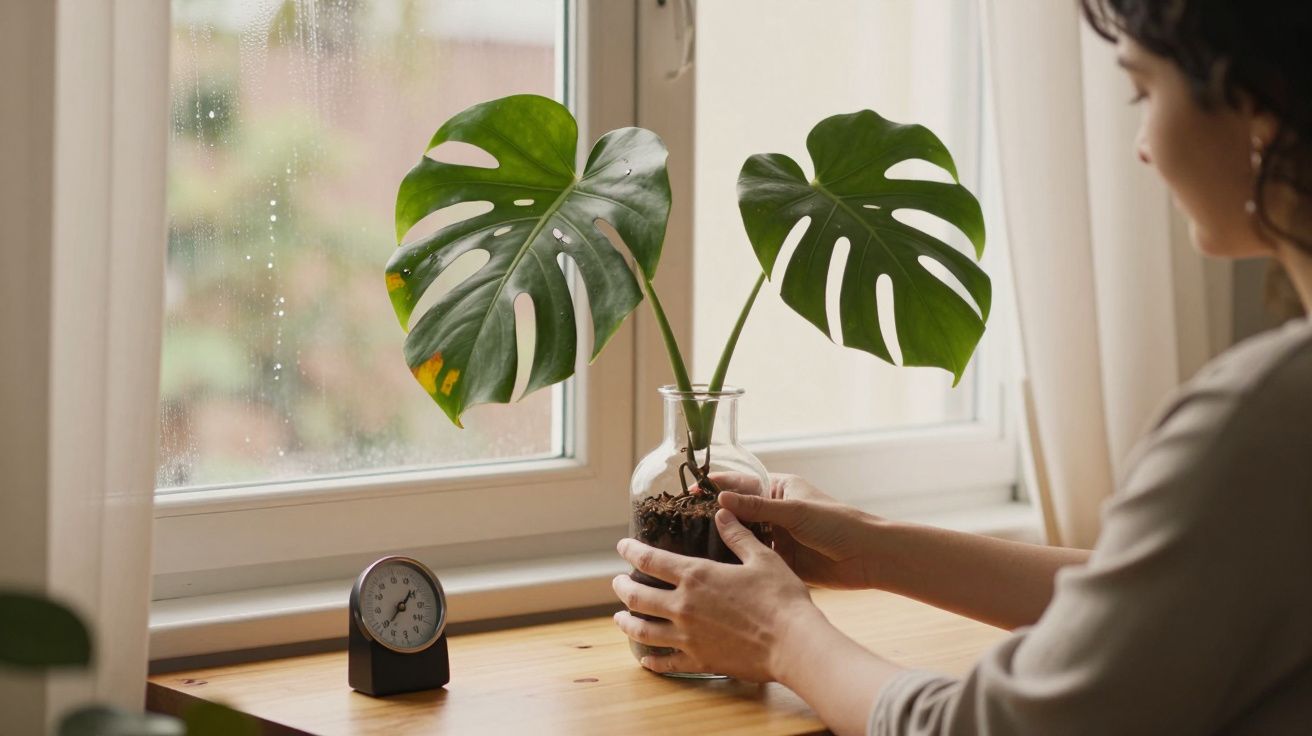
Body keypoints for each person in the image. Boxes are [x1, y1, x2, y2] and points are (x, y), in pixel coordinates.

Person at [611, 1, 1312, 733]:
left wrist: (781, 636)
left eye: (1143, 92)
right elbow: (1167, 604)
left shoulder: (1262, 418)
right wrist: (873, 546)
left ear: (1260, 106)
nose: (1139, 144)